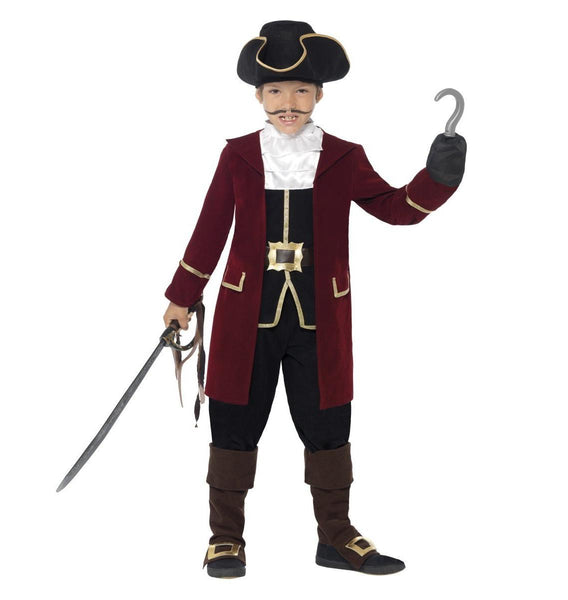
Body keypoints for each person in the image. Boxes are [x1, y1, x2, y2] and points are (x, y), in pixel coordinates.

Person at [163, 20, 466, 578]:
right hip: (244, 316)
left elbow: (395, 207)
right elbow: (210, 228)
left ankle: (336, 538)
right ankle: (225, 538)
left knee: (327, 426)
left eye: (301, 90)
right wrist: (182, 296)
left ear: (319, 95)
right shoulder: (237, 155)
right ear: (258, 96)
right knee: (234, 424)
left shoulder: (344, 156)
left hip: (320, 317)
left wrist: (438, 178)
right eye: (276, 91)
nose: (288, 103)